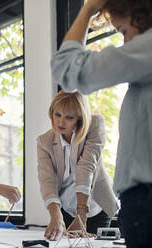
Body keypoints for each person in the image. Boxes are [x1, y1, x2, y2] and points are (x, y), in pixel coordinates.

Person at [51, 0, 152, 247]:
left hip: (139, 201)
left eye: (123, 31)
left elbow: (66, 70)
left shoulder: (95, 125)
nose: (127, 44)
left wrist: (87, 9)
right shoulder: (46, 140)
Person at [37, 91, 119, 241]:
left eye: (69, 117)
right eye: (57, 114)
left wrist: (82, 215)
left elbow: (86, 167)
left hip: (96, 207)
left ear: (80, 118)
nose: (61, 122)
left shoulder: (94, 125)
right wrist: (55, 215)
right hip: (66, 209)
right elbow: (46, 180)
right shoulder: (44, 141)